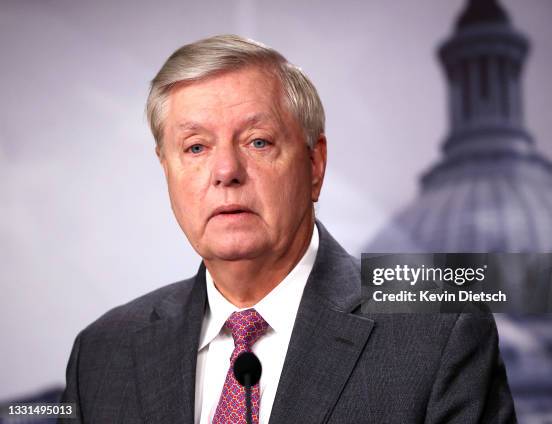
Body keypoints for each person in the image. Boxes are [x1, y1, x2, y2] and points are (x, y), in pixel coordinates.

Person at [60, 34, 516, 423]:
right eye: (196, 147)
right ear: (166, 170)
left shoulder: (439, 331)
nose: (226, 171)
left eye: (258, 142)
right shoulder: (102, 355)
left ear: (315, 165)